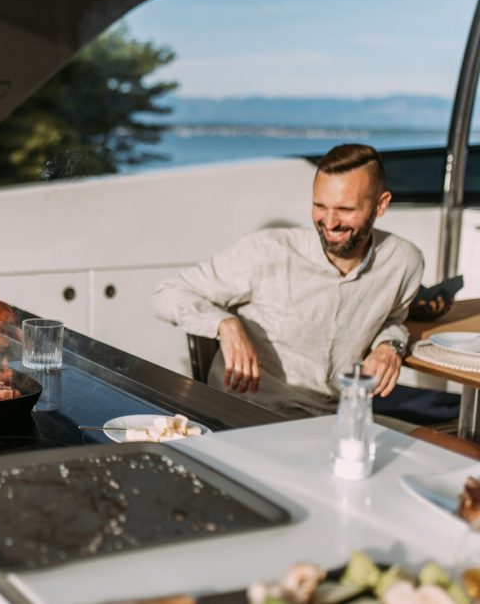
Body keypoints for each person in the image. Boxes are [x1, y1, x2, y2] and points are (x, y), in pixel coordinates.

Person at [151, 144, 423, 417]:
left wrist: (390, 346)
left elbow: (392, 319)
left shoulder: (404, 261)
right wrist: (225, 324)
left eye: (345, 209)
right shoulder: (266, 251)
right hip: (243, 412)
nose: (329, 222)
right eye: (319, 206)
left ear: (381, 205)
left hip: (329, 418)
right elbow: (168, 292)